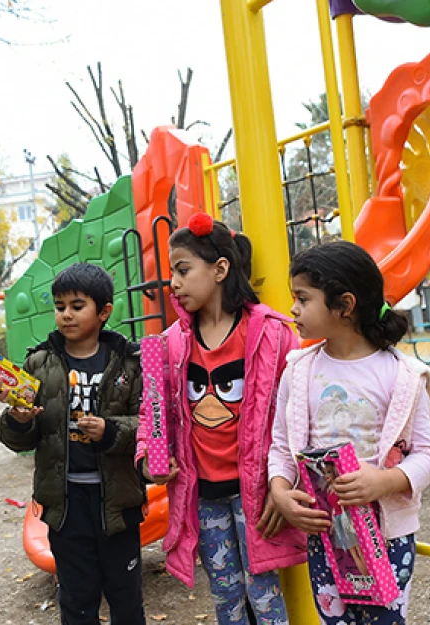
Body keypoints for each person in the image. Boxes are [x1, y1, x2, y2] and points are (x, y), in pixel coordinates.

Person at [135, 213, 302, 625]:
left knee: (264, 595)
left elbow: (297, 416)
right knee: (225, 597)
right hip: (202, 496)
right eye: (173, 271)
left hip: (259, 496)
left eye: (183, 270)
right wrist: (147, 457)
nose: (173, 282)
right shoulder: (171, 343)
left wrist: (286, 484)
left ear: (220, 269)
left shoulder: (272, 334)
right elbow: (153, 412)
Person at [268, 241, 430, 625]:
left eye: (303, 298)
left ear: (344, 305)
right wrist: (280, 492)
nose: (293, 309)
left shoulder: (402, 375)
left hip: (388, 535)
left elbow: (429, 455)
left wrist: (384, 481)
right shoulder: (297, 371)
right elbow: (282, 447)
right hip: (326, 535)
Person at [0, 263, 146, 624]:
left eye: (78, 306)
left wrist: (110, 431)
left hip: (118, 505)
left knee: (126, 598)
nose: (66, 315)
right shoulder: (38, 363)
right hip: (65, 505)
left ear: (104, 311)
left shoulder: (128, 363)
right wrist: (18, 421)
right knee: (77, 598)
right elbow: (18, 438)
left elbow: (148, 425)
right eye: (60, 306)